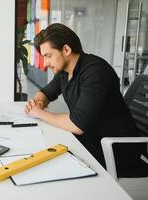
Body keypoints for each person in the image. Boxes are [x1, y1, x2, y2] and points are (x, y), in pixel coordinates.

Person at [25, 23, 141, 169]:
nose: (46, 63)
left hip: (115, 149)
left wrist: (39, 113)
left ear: (66, 49)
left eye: (48, 56)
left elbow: (77, 124)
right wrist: (38, 102)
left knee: (49, 163)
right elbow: (46, 93)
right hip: (90, 139)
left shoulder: (95, 71)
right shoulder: (64, 72)